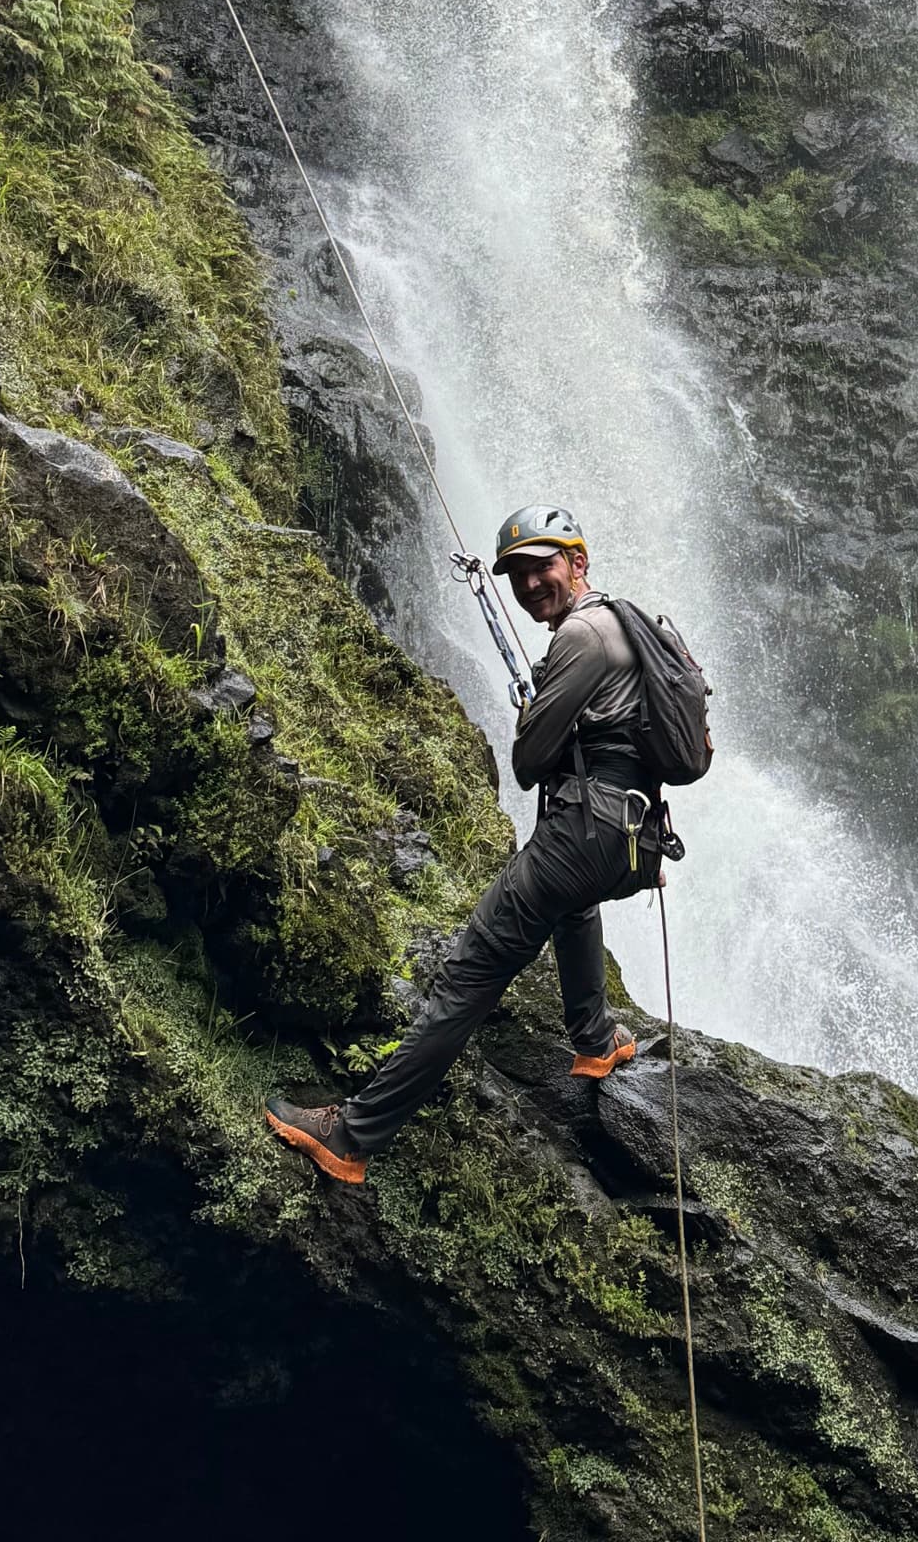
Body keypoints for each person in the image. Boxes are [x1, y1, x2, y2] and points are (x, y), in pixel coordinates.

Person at [263, 505, 658, 1184]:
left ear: (579, 561)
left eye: (544, 566)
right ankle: (596, 1042)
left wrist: (535, 716)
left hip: (580, 836)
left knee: (467, 978)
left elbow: (531, 762)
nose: (531, 583)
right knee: (573, 905)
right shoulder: (626, 625)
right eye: (519, 574)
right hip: (630, 840)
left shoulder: (583, 639)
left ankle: (350, 1139)